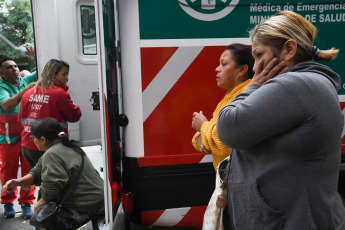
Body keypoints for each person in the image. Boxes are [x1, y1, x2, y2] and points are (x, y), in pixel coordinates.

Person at [217, 10, 345, 229]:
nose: (256, 67)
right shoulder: (310, 82)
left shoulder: (294, 84)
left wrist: (254, 85)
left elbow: (229, 126)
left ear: (289, 49)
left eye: (259, 55)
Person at [2, 117, 104, 229]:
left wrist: (41, 202)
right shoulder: (67, 147)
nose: (33, 140)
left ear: (43, 139)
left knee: (43, 221)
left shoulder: (52, 154)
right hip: (100, 199)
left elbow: (53, 184)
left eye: (33, 137)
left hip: (88, 205)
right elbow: (37, 172)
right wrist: (16, 182)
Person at [191, 43, 254, 170]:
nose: (217, 69)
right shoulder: (228, 97)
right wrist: (204, 136)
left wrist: (203, 126)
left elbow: (225, 145)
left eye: (224, 64)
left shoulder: (247, 95)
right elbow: (202, 142)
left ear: (242, 70)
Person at [19, 59, 82, 170]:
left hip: (28, 147)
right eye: (64, 74)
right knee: (56, 183)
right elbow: (74, 116)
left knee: (43, 181)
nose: (67, 78)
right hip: (48, 147)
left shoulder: (28, 93)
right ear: (53, 74)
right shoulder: (59, 93)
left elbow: (21, 119)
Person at [0, 49, 37, 219]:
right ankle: (8, 202)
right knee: (9, 172)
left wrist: (37, 57)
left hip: (28, 137)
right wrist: (25, 91)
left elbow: (44, 71)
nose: (14, 69)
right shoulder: (2, 87)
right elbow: (6, 105)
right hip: (8, 139)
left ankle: (27, 202)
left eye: (15, 66)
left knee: (29, 170)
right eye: (9, 67)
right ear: (2, 73)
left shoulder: (24, 80)